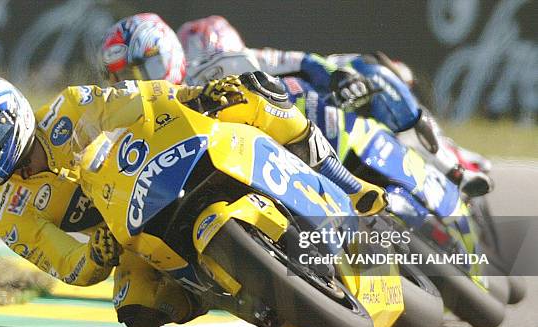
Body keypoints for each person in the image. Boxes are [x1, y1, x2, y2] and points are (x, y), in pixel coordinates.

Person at [0, 69, 386, 327]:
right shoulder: (12, 216)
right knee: (137, 310)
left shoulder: (70, 107)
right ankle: (229, 290)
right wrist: (97, 255)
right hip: (129, 234)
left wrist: (198, 95)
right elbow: (68, 265)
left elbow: (146, 99)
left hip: (167, 165)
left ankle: (343, 182)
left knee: (253, 92)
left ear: (5, 116)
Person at [177, 15, 493, 197]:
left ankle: (449, 163)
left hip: (329, 124)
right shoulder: (188, 101)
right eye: (197, 59)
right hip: (284, 166)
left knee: (370, 67)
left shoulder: (254, 59)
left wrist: (339, 79)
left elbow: (308, 62)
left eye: (212, 52)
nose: (207, 63)